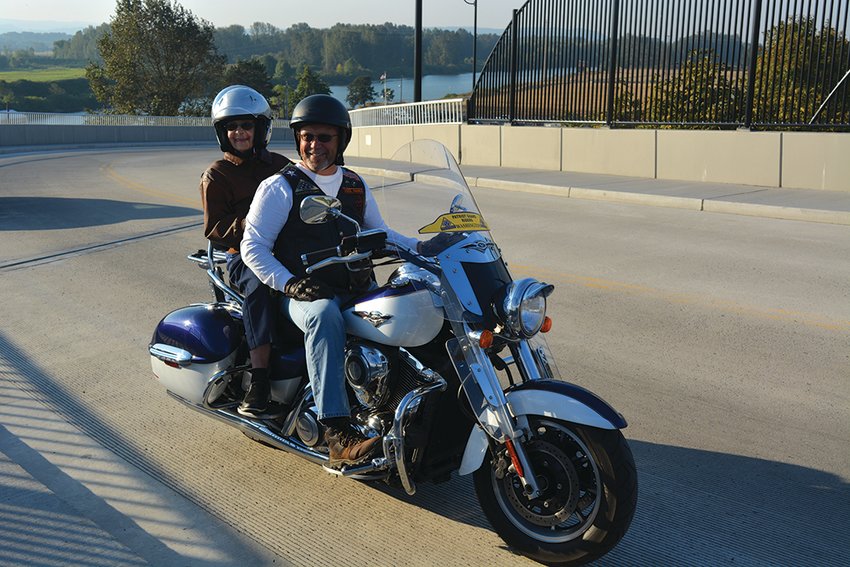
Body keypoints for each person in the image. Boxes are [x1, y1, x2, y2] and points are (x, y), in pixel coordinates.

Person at [241, 94, 420, 467]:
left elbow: (382, 234)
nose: (314, 145)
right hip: (303, 296)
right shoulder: (280, 186)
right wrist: (289, 284)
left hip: (355, 288)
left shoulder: (353, 184)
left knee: (409, 305)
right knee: (324, 315)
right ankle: (336, 430)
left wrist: (428, 247)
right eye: (307, 136)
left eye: (324, 137)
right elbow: (253, 247)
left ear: (341, 141)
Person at [200, 85, 291, 417]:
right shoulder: (217, 175)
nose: (239, 132)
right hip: (244, 255)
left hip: (287, 248)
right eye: (232, 127)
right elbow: (214, 229)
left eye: (246, 126)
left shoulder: (281, 165)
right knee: (260, 287)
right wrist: (255, 223)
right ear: (223, 132)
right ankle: (260, 378)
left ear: (261, 129)